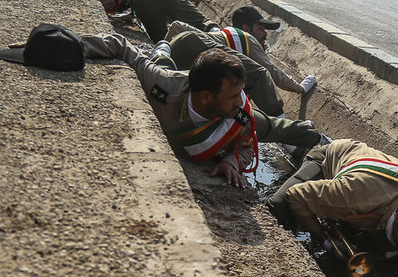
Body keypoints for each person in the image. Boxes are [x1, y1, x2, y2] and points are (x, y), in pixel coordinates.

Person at [82, 33, 325, 188]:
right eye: (232, 96)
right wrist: (74, 46)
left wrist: (232, 161)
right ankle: (163, 48)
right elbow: (121, 45)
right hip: (174, 83)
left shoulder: (239, 113)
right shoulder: (164, 90)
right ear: (207, 97)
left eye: (241, 94)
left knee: (273, 127)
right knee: (162, 66)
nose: (240, 103)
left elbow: (247, 146)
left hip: (204, 98)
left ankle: (318, 138)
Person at [267, 139, 398, 267]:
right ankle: (309, 145)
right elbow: (296, 195)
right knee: (277, 207)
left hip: (364, 170)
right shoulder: (351, 197)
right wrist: (320, 236)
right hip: (328, 159)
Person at [163, 19, 314, 119]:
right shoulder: (249, 40)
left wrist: (161, 49)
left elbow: (177, 25)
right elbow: (271, 72)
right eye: (261, 28)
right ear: (246, 28)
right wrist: (300, 88)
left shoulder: (223, 34)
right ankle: (290, 143)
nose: (265, 34)